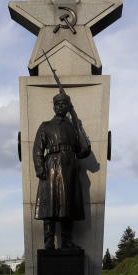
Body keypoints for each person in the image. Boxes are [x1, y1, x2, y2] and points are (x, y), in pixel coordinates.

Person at [33, 92, 91, 249]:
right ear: (53, 107)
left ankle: (66, 241)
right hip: (51, 166)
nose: (60, 106)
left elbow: (84, 150)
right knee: (50, 207)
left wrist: (78, 125)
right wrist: (40, 169)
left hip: (69, 168)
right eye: (57, 104)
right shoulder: (45, 126)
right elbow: (38, 149)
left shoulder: (73, 127)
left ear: (67, 107)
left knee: (68, 206)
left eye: (64, 104)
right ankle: (49, 241)